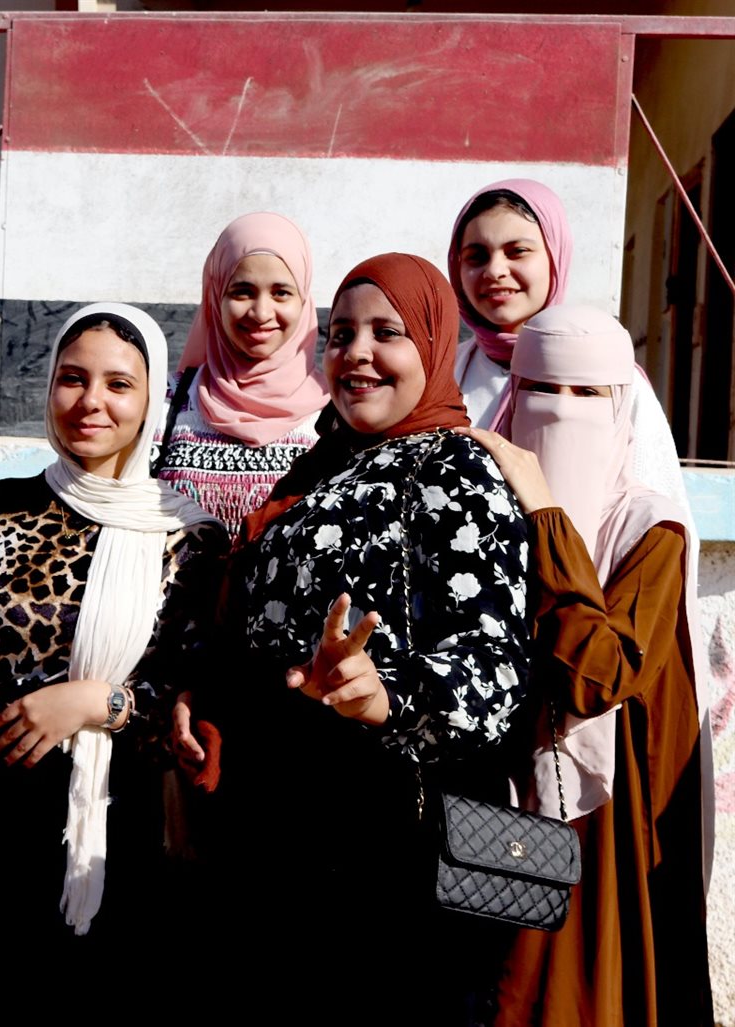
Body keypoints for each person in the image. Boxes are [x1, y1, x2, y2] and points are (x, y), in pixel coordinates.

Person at [0, 303, 226, 1017]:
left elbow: (198, 699)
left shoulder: (186, 536)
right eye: (72, 378)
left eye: (119, 384)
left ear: (152, 400)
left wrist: (99, 702)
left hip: (115, 825)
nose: (91, 401)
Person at [206, 253, 531, 1015]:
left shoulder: (456, 468)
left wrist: (387, 694)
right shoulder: (320, 468)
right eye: (341, 333)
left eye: (387, 333)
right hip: (290, 827)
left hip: (397, 845)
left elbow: (495, 665)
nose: (356, 353)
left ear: (434, 343)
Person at [457, 305, 712, 1026]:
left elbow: (596, 676)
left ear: (621, 403)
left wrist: (546, 517)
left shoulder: (648, 529)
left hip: (600, 818)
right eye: (541, 388)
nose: (561, 410)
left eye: (586, 393)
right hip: (484, 798)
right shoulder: (476, 508)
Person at [448, 179, 691, 521]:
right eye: (476, 256)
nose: (495, 270)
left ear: (555, 256)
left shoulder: (609, 380)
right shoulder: (444, 373)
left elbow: (659, 517)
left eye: (517, 251)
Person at [154, 211, 328, 540]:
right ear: (215, 296)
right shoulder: (163, 404)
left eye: (281, 292)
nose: (261, 313)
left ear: (304, 299)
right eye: (242, 292)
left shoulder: (335, 417)